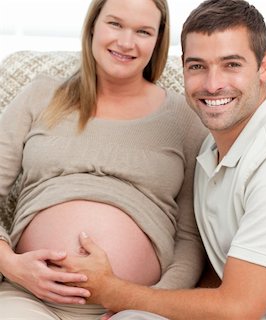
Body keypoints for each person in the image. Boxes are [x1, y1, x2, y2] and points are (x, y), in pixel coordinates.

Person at [56, 0, 266, 319]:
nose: (213, 84)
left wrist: (114, 290)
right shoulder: (211, 151)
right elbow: (219, 278)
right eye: (198, 67)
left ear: (264, 66)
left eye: (231, 65)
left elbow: (236, 309)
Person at [0, 0, 207, 318]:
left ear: (157, 40)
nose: (126, 42)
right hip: (28, 298)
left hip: (132, 307)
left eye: (143, 31)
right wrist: (11, 265)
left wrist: (148, 301)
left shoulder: (185, 119)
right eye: (115, 24)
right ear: (93, 25)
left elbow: (190, 237)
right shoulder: (40, 96)